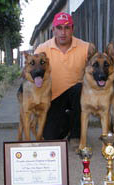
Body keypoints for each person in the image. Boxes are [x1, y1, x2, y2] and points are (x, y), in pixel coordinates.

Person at [34, 12, 95, 141]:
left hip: (76, 95)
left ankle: (76, 136)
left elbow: (97, 70)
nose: (63, 32)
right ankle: (68, 123)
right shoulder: (42, 49)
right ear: (53, 30)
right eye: (59, 28)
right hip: (52, 100)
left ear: (72, 29)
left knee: (80, 89)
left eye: (67, 28)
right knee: (51, 137)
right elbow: (31, 73)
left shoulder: (86, 48)